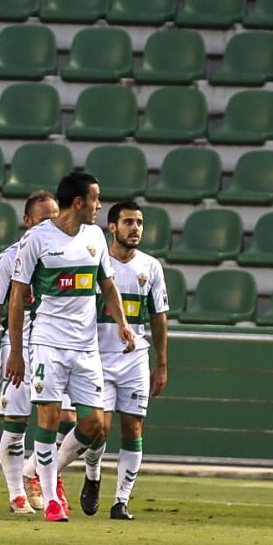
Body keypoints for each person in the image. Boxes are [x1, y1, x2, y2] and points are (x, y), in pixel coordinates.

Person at [6, 172, 135, 523]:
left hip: (85, 346)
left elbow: (107, 285)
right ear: (79, 202)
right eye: (96, 199)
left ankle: (34, 470)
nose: (99, 206)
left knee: (95, 424)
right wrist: (16, 350)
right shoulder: (36, 239)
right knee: (47, 419)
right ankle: (51, 499)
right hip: (48, 341)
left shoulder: (94, 236)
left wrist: (122, 323)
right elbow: (17, 297)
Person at [80, 201, 168, 520]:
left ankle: (121, 501)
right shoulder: (95, 262)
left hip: (134, 359)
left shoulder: (151, 267)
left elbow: (159, 317)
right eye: (128, 222)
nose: (135, 228)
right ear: (112, 227)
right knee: (98, 429)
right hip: (99, 357)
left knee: (133, 428)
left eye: (140, 222)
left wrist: (162, 362)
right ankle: (92, 476)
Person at [0, 190, 58, 514]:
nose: (50, 225)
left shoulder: (64, 254)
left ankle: (32, 472)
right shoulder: (10, 258)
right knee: (16, 421)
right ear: (27, 221)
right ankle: (16, 494)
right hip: (19, 345)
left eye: (54, 218)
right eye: (43, 219)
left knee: (68, 420)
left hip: (55, 345)